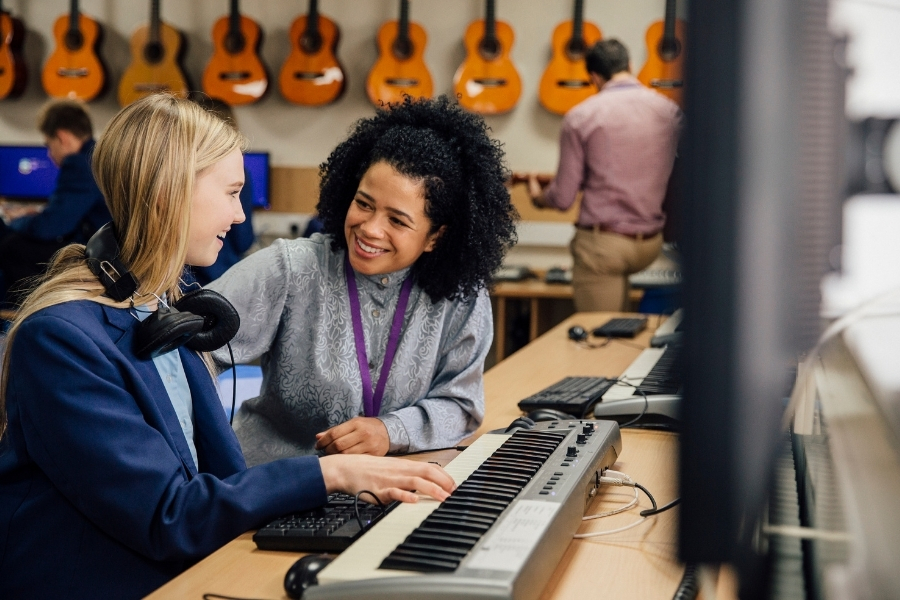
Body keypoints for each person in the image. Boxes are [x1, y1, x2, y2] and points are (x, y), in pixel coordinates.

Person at [0, 94, 454, 599]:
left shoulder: (163, 308)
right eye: (233, 192)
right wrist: (332, 473)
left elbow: (209, 483)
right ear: (168, 194)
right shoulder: (61, 340)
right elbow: (167, 514)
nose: (240, 216)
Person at [208, 95, 518, 466]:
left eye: (397, 221)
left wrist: (391, 431)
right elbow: (184, 351)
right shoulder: (292, 268)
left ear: (436, 236)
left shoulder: (461, 297)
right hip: (278, 488)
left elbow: (461, 404)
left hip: (390, 488)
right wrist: (205, 449)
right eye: (364, 204)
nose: (370, 229)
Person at [521, 39, 682, 312]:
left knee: (597, 339)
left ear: (594, 77)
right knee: (622, 333)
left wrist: (537, 197)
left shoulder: (581, 116)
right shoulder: (669, 111)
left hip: (604, 247)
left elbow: (562, 198)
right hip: (650, 243)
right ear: (630, 66)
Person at [0, 99, 111, 307]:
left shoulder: (80, 164)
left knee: (11, 246)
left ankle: (23, 313)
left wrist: (16, 221)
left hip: (95, 252)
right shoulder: (96, 155)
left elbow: (49, 227)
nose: (50, 154)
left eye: (49, 145)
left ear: (62, 138)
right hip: (102, 243)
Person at [187, 94, 256, 286]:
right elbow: (244, 240)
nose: (239, 215)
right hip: (220, 279)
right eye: (232, 193)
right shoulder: (239, 173)